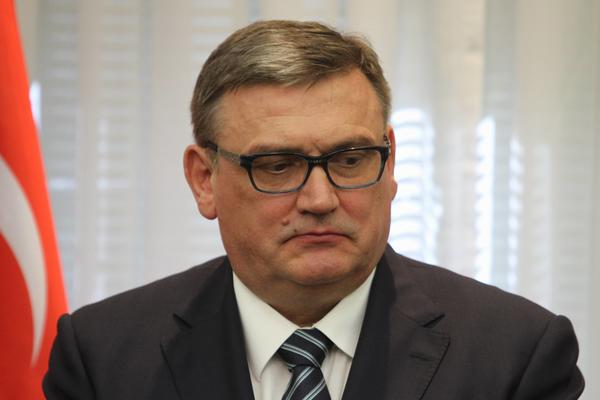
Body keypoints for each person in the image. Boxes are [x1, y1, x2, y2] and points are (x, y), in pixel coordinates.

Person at [43, 20, 584, 400]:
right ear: (205, 180)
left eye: (350, 159)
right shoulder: (102, 359)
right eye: (277, 166)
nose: (321, 200)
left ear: (390, 163)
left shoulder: (516, 357)